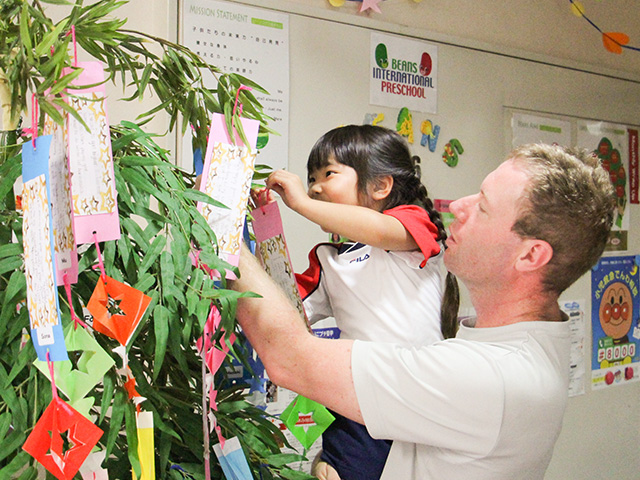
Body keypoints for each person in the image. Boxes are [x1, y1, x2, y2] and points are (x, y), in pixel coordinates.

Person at [231, 143, 616, 480]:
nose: (460, 206)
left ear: (531, 255)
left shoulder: (490, 377)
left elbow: (288, 357)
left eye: (482, 206)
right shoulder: (518, 346)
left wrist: (224, 229)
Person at [253, 124, 459, 480]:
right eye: (311, 178)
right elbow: (283, 308)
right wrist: (264, 229)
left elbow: (380, 231)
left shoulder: (414, 226)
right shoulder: (330, 259)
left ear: (381, 185)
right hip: (358, 405)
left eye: (328, 174)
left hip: (420, 400)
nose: (315, 187)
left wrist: (301, 204)